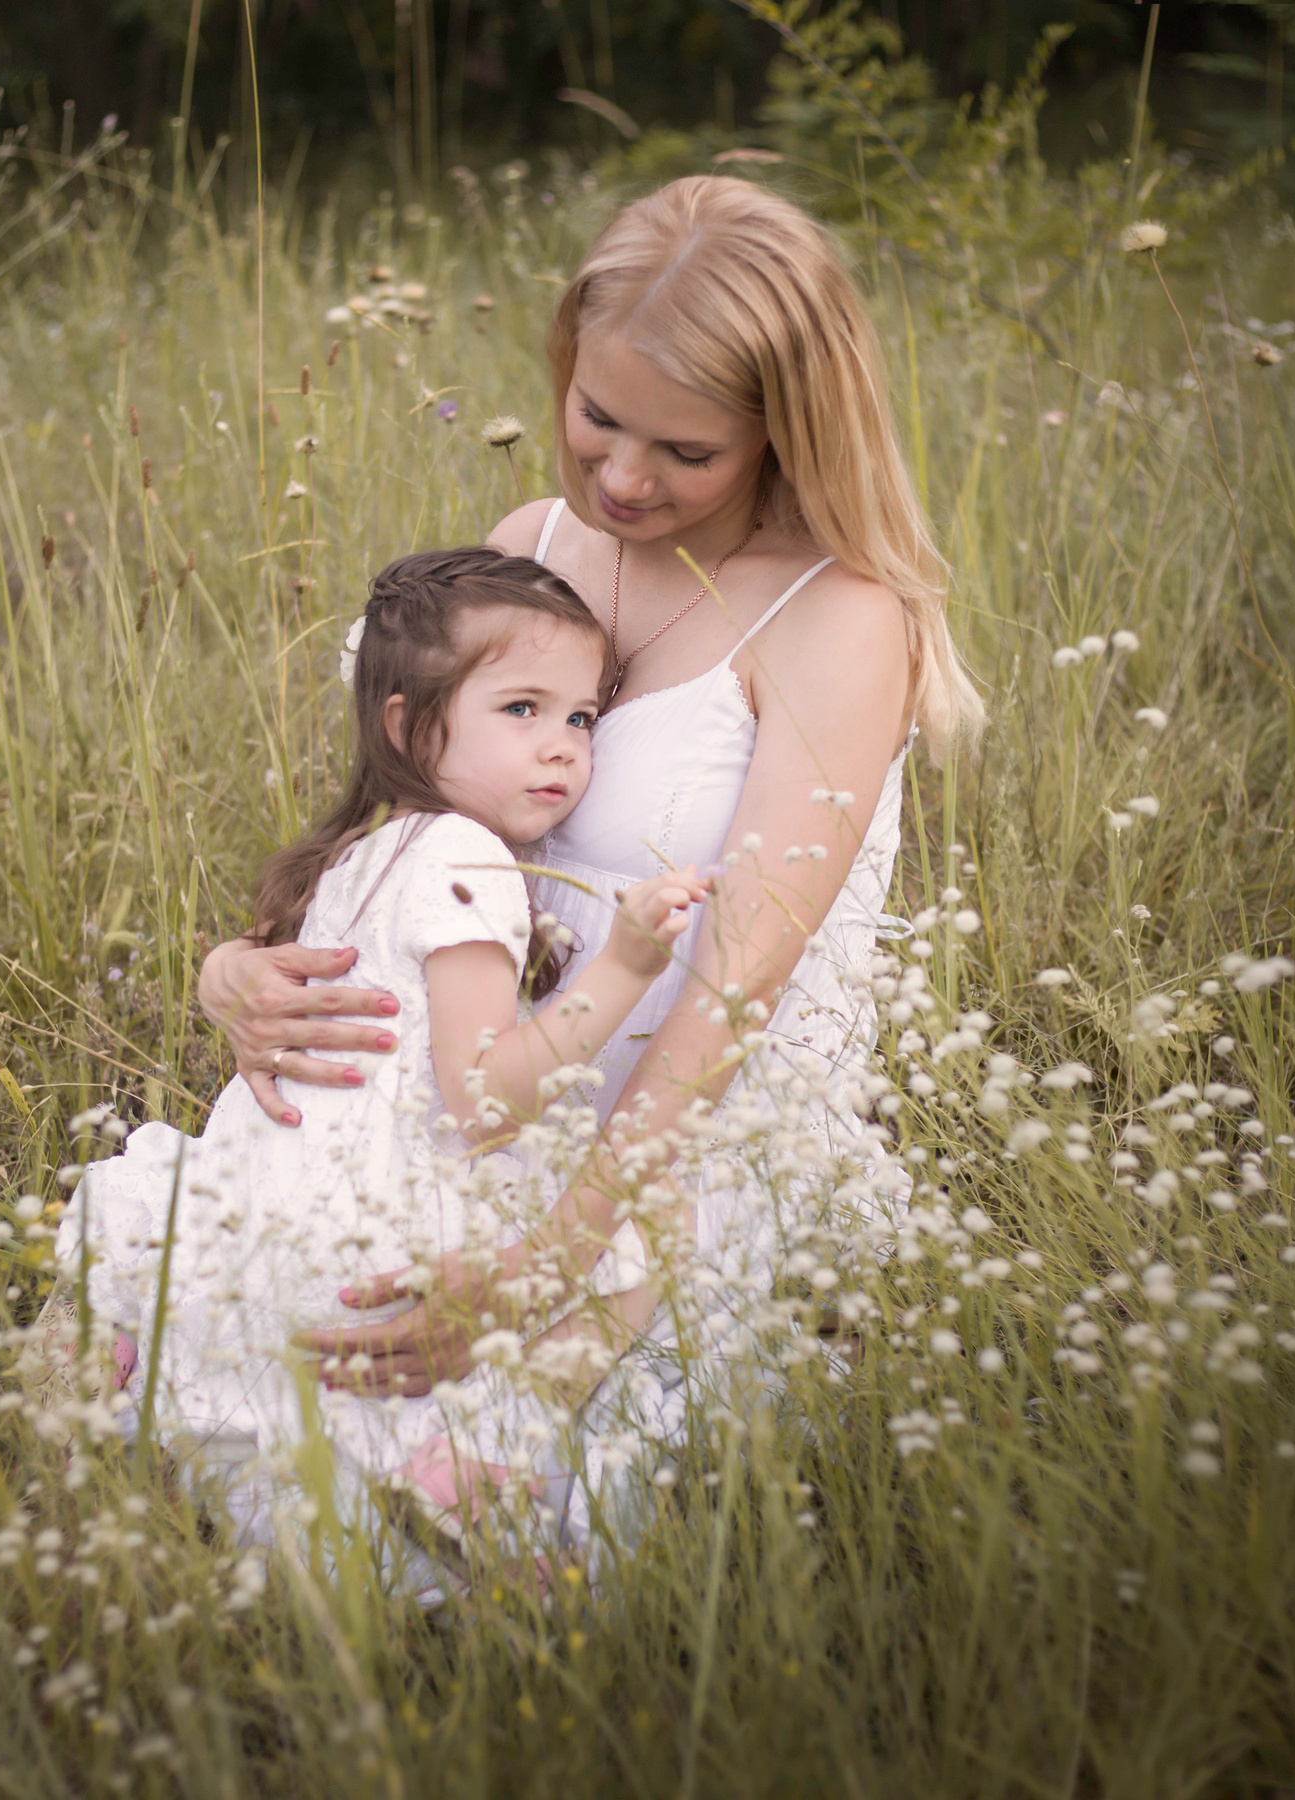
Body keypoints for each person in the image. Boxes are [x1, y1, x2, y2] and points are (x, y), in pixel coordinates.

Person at [197, 175, 983, 1429]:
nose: (619, 478)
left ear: (786, 430)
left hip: (685, 1138)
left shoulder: (836, 616)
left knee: (483, 1447)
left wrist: (559, 1260)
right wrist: (238, 967)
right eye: (597, 416)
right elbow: (408, 815)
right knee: (239, 1346)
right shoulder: (536, 546)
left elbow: (739, 980)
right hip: (489, 1092)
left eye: (686, 451)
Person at [57, 546, 707, 1555]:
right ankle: (488, 1448)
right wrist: (621, 968)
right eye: (521, 710)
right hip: (386, 1228)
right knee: (656, 1215)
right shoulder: (467, 858)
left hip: (269, 1206)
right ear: (405, 722)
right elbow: (482, 1099)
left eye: (580, 717)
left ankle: (151, 1352)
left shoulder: (362, 855)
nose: (563, 748)